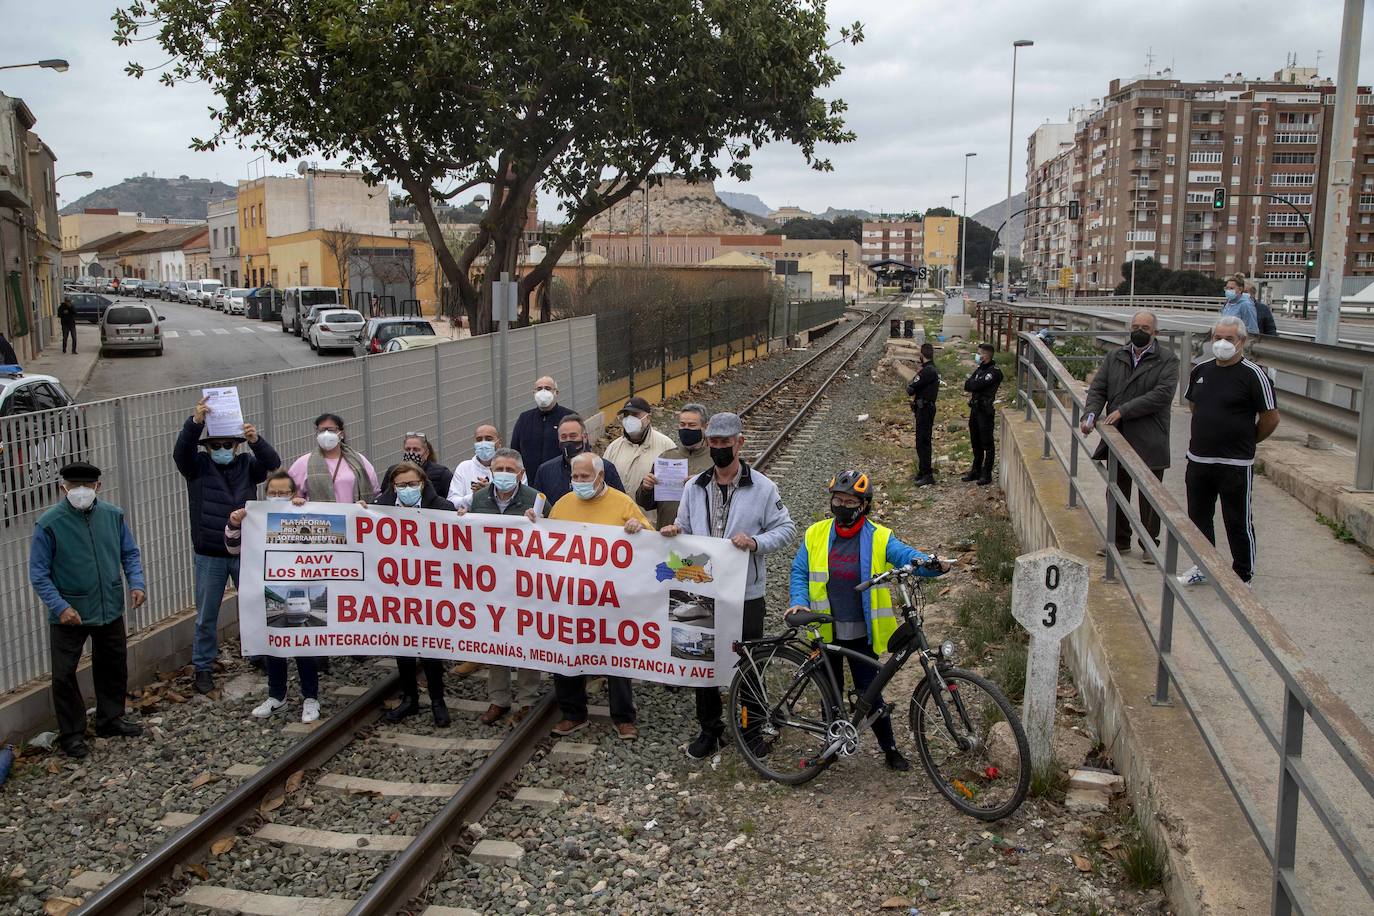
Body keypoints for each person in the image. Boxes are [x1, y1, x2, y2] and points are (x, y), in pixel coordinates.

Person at [787, 471, 949, 770]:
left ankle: (889, 749)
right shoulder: (816, 533)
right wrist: (798, 601)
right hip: (825, 628)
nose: (843, 505)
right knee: (829, 692)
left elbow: (906, 556)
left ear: (864, 505)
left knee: (870, 693)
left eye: (850, 501)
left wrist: (932, 564)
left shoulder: (879, 537)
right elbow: (799, 571)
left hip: (862, 632)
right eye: (838, 499)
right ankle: (831, 743)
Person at [660, 411, 796, 760]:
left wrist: (755, 542)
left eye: (725, 442)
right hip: (700, 589)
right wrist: (676, 532)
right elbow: (684, 526)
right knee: (700, 658)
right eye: (714, 443)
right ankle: (711, 730)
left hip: (745, 592)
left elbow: (786, 529)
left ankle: (750, 730)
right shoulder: (695, 487)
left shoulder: (764, 487)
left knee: (748, 660)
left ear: (740, 443)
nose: (719, 448)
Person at [29, 462, 146, 758]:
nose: (81, 492)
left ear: (98, 487)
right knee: (64, 674)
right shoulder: (49, 523)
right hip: (69, 613)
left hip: (108, 606)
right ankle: (72, 733)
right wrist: (60, 606)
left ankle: (110, 718)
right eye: (74, 487)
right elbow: (38, 573)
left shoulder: (113, 516)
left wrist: (137, 584)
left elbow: (129, 552)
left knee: (113, 663)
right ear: (63, 488)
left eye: (87, 487)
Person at [174, 396, 281, 693]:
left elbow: (272, 464)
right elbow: (181, 452)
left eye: (227, 445)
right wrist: (194, 423)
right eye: (215, 445)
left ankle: (260, 654)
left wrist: (256, 440)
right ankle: (203, 667)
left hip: (244, 549)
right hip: (210, 553)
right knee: (207, 614)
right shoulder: (197, 467)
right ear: (207, 448)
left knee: (254, 605)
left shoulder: (248, 464)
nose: (221, 450)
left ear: (236, 446)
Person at [543, 452, 651, 740]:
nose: (578, 482)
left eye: (584, 477)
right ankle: (573, 714)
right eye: (575, 477)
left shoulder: (622, 502)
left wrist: (638, 529)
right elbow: (545, 545)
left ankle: (624, 717)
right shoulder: (563, 505)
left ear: (600, 477)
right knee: (566, 654)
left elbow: (652, 543)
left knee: (616, 657)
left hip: (611, 598)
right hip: (572, 598)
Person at [1178, 316, 1278, 586]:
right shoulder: (1201, 371)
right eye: (1217, 337)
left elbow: (1270, 417)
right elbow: (1194, 406)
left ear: (1242, 342)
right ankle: (1204, 566)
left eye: (1229, 338)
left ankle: (1242, 574)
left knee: (1237, 521)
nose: (1222, 343)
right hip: (1199, 460)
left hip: (1235, 464)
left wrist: (1248, 440)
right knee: (1199, 519)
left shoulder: (1254, 375)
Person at [1081, 310, 1179, 563]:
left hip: (1150, 435)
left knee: (1150, 495)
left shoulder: (1167, 360)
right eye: (1135, 326)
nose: (1139, 331)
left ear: (1155, 332)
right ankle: (1118, 540)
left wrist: (1123, 411)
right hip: (1118, 436)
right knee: (1116, 490)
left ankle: (1149, 545)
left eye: (1145, 327)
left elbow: (1161, 395)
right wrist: (1091, 414)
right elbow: (1099, 388)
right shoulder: (1116, 356)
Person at [364, 461, 456, 725]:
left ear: (423, 484)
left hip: (431, 590)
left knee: (431, 650)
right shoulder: (379, 510)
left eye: (412, 484)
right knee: (403, 648)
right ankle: (410, 699)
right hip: (396, 590)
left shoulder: (442, 508)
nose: (407, 489)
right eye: (401, 485)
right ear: (393, 487)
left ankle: (438, 700)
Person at [226, 471, 321, 723]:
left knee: (304, 647)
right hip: (271, 591)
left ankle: (310, 697)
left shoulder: (305, 516)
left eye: (284, 493)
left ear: (295, 494)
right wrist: (235, 523)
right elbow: (233, 549)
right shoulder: (255, 518)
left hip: (301, 590)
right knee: (275, 645)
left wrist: (304, 509)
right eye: (273, 493)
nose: (278, 497)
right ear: (265, 494)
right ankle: (276, 696)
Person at [462, 448, 546, 725]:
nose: (504, 475)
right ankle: (498, 698)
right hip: (490, 584)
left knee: (526, 638)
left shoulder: (536, 498)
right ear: (491, 472)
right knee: (495, 640)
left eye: (510, 470)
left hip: (525, 584)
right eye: (499, 469)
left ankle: (527, 699)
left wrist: (539, 523)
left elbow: (555, 536)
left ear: (521, 474)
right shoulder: (477, 499)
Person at [636, 403, 714, 528]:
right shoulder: (665, 457)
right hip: (668, 535)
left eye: (692, 425)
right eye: (682, 424)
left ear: (705, 427)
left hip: (702, 537)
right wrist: (646, 488)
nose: (686, 429)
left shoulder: (715, 459)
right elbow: (646, 504)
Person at [532, 413, 626, 503]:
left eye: (573, 436)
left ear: (584, 437)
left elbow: (621, 503)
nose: (568, 440)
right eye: (563, 437)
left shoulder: (604, 468)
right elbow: (537, 506)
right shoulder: (545, 471)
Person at [287, 413, 379, 503]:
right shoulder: (303, 463)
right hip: (320, 517)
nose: (326, 434)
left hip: (352, 517)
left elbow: (375, 492)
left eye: (331, 430)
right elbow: (291, 494)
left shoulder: (360, 461)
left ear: (341, 433)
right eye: (322, 430)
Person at [604, 396, 675, 495]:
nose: (629, 419)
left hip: (648, 510)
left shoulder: (666, 446)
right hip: (621, 510)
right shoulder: (613, 448)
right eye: (626, 415)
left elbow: (674, 486)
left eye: (635, 415)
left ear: (648, 418)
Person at [509, 376, 574, 474]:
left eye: (548, 388)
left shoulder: (569, 418)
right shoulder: (524, 418)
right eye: (539, 389)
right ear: (534, 393)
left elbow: (580, 449)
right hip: (530, 480)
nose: (543, 392)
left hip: (560, 477)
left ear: (556, 392)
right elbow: (515, 450)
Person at [961, 342, 1003, 486]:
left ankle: (987, 474)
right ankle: (976, 470)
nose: (977, 355)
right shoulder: (980, 369)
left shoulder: (994, 372)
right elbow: (968, 385)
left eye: (979, 353)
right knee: (975, 441)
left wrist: (975, 384)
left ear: (986, 355)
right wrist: (974, 384)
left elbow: (976, 385)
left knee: (987, 443)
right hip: (975, 409)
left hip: (985, 411)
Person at [906, 342, 940, 486]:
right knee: (921, 441)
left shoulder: (927, 371)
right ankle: (923, 470)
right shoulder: (931, 369)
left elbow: (911, 388)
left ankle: (927, 474)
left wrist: (911, 384)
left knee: (923, 442)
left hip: (925, 409)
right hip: (924, 408)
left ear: (922, 354)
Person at [382, 432, 452, 501]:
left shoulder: (442, 474)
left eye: (416, 450)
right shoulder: (393, 471)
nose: (411, 453)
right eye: (408, 449)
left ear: (426, 453)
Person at [446, 423, 500, 510]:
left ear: (499, 443)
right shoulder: (464, 467)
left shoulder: (510, 468)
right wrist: (475, 496)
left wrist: (492, 492)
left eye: (488, 439)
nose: (483, 443)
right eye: (479, 440)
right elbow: (452, 502)